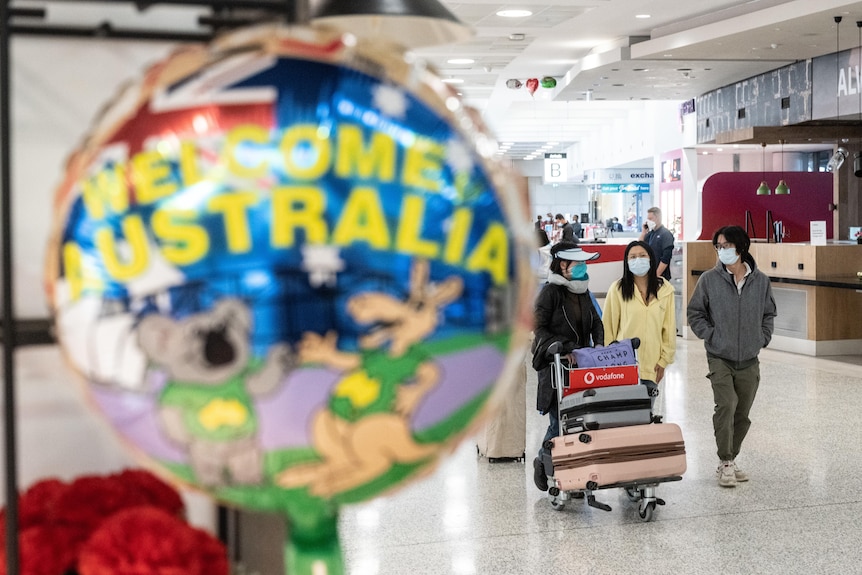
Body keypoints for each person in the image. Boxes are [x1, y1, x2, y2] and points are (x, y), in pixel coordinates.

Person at [687, 225, 776, 488]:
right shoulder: (709, 280)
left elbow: (768, 313)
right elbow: (695, 313)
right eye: (719, 246)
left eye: (726, 245)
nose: (722, 251)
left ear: (741, 247)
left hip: (749, 357)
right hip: (719, 356)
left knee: (742, 414)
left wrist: (762, 337)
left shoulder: (760, 281)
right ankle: (725, 461)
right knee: (726, 406)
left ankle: (731, 458)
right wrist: (711, 335)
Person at [530, 241, 603, 491]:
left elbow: (595, 321)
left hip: (582, 368)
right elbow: (538, 328)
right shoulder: (550, 292)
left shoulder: (582, 291)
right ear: (563, 264)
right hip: (555, 367)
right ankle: (543, 460)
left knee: (579, 421)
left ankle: (572, 472)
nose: (583, 267)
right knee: (559, 422)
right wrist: (565, 346)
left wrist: (600, 345)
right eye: (578, 263)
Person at [602, 241, 675, 404]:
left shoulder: (665, 290)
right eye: (632, 257)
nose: (638, 260)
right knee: (623, 420)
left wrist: (664, 361)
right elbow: (608, 327)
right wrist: (608, 363)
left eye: (642, 256)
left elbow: (669, 330)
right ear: (627, 262)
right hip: (623, 365)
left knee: (646, 419)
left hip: (652, 367)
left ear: (651, 259)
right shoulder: (617, 289)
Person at [638, 207, 674, 280]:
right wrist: (643, 232)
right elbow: (639, 246)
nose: (648, 221)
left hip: (660, 276)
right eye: (648, 219)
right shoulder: (650, 234)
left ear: (658, 218)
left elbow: (666, 258)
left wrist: (656, 275)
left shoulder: (665, 234)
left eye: (650, 219)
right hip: (649, 273)